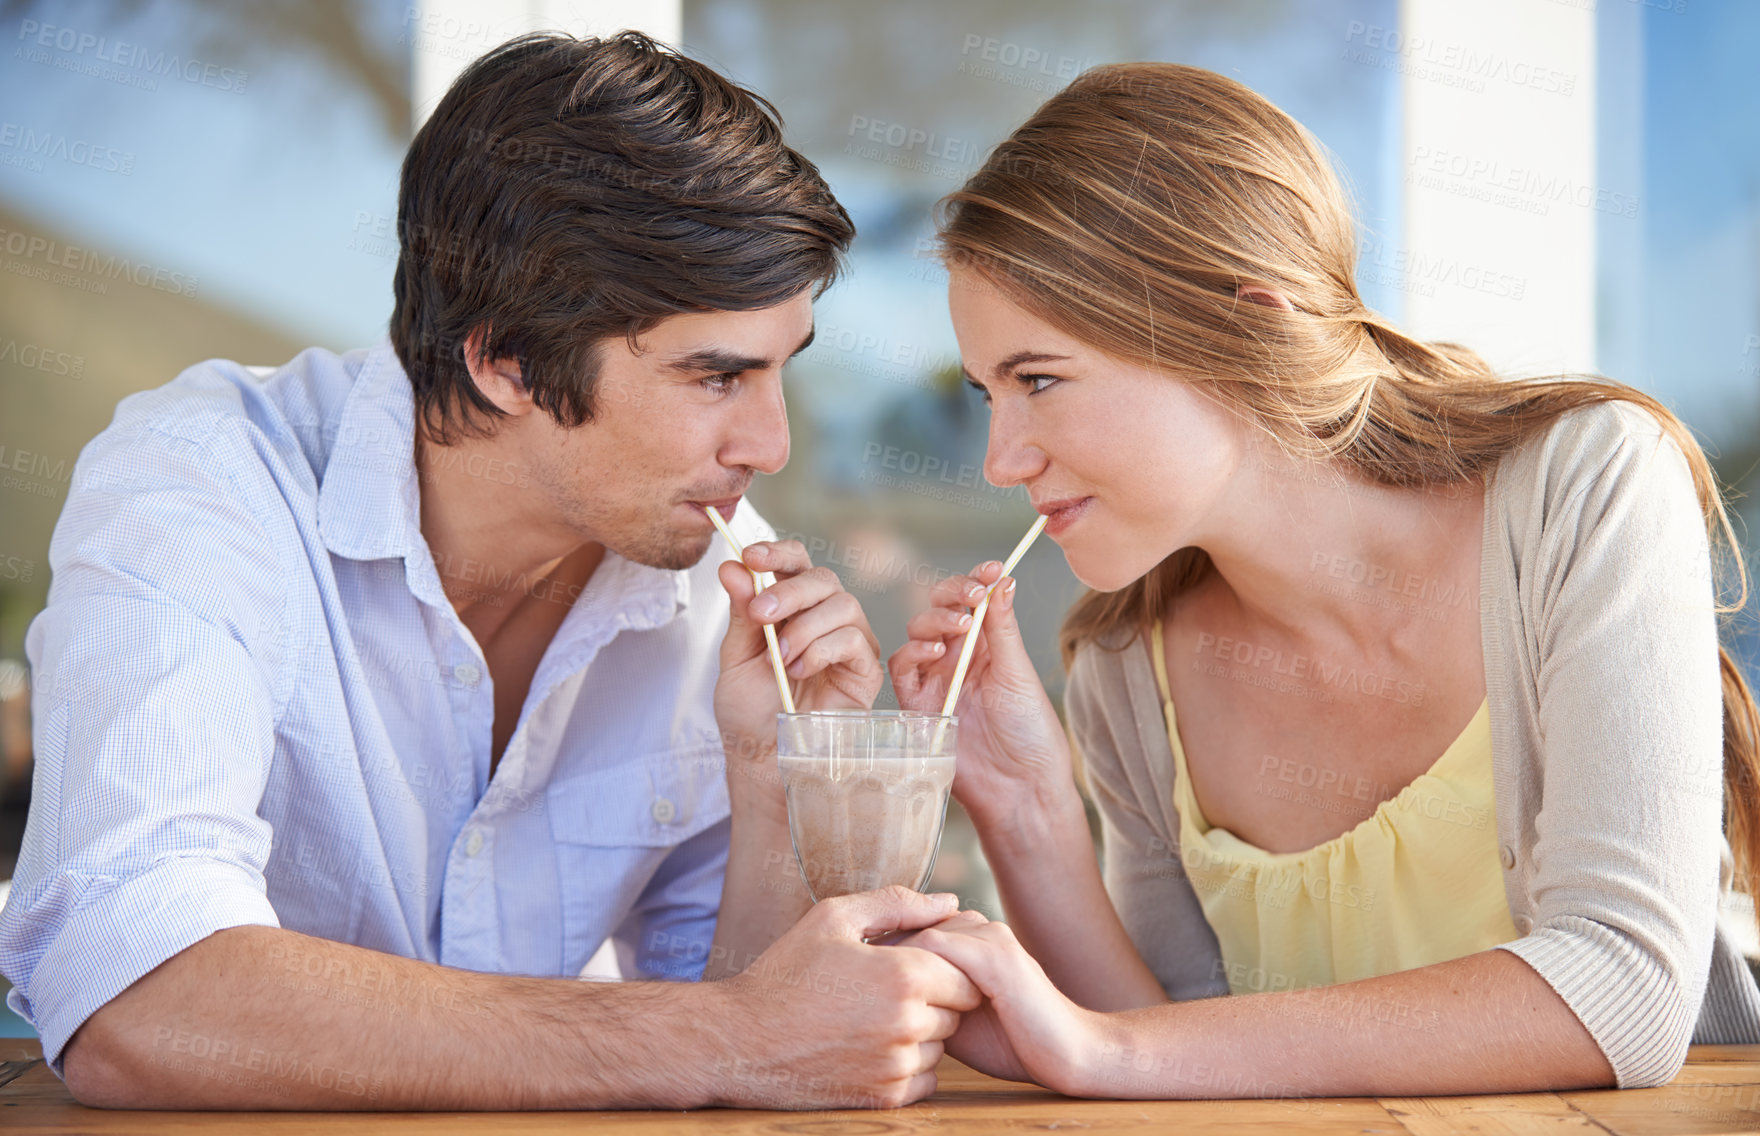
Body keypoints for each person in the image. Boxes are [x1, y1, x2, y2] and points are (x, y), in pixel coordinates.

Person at [0, 33, 979, 1111]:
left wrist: (772, 775)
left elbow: (768, 1042)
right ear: (503, 356)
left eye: (778, 371)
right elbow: (133, 994)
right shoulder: (203, 487)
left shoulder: (712, 584)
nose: (770, 446)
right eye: (715, 376)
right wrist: (728, 1035)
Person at [889, 61, 1760, 1099]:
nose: (1001, 457)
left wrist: (1102, 1050)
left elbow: (1622, 986)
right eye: (987, 392)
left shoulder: (1584, 488)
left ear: (1244, 329)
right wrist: (1024, 804)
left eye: (1038, 379)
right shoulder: (1124, 666)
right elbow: (1182, 1053)